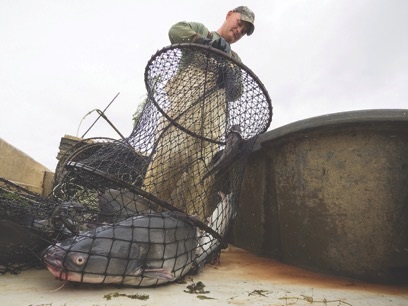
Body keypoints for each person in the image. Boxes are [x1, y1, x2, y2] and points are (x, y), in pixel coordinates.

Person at [143, 6, 255, 220]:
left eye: (244, 30)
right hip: (184, 112)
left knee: (203, 173)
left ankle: (191, 228)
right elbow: (175, 31)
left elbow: (236, 93)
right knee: (170, 159)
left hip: (213, 122)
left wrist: (228, 76)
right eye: (240, 23)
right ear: (229, 14)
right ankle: (143, 214)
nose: (239, 30)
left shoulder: (235, 59)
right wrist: (205, 43)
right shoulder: (201, 31)